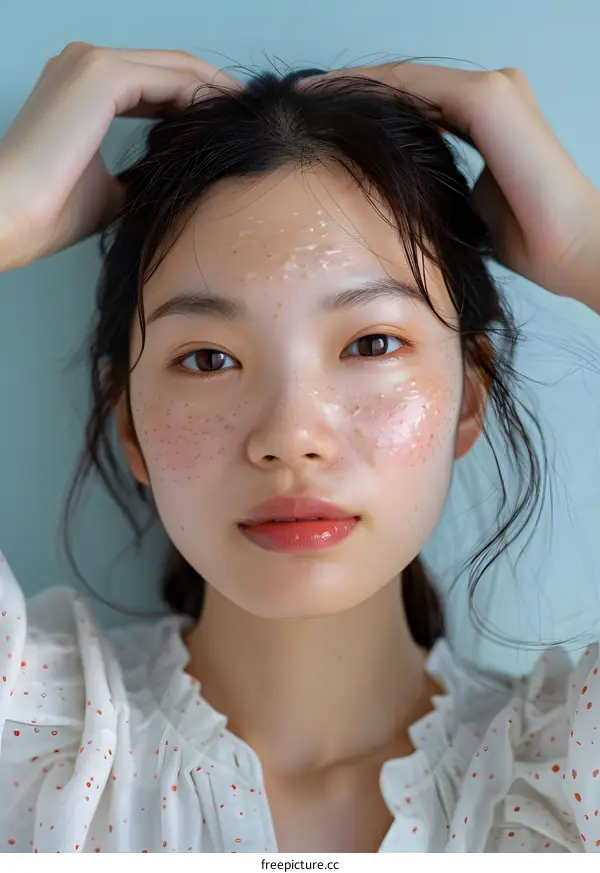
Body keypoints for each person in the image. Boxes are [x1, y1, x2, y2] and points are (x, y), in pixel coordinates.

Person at [0, 42, 599, 855]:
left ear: (468, 397)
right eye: (208, 358)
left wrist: (586, 246)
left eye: (371, 344)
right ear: (131, 424)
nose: (290, 438)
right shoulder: (21, 736)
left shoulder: (570, 773)